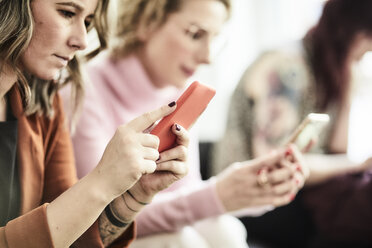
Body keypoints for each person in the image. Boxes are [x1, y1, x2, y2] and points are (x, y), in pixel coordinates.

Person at [62, 0, 309, 247]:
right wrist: (216, 196)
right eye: (195, 34)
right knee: (181, 242)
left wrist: (253, 190)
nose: (208, 57)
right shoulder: (82, 93)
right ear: (147, 21)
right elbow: (99, 219)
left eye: (215, 39)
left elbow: (185, 191)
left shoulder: (182, 94)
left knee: (227, 231)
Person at [0, 0, 190, 247]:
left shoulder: (44, 106)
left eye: (88, 22)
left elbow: (73, 238)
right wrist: (102, 181)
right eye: (67, 13)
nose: (81, 40)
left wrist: (135, 195)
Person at [211, 0, 372, 246]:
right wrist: (356, 163)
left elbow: (336, 150)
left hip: (297, 188)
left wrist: (346, 95)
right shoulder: (286, 66)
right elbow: (275, 165)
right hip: (252, 195)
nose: (366, 54)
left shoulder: (333, 69)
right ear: (354, 33)